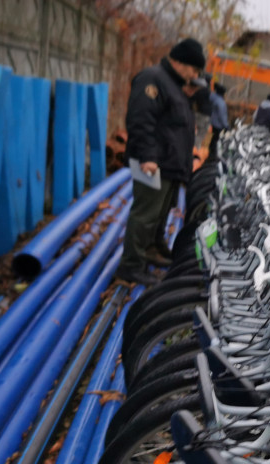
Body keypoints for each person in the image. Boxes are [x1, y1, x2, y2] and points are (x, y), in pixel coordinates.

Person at [118, 37, 205, 285]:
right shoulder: (153, 79)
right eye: (194, 69)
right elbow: (140, 119)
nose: (194, 75)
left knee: (159, 214)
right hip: (153, 163)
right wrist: (147, 156)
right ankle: (131, 265)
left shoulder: (173, 85)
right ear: (180, 62)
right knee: (145, 214)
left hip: (168, 165)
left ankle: (152, 249)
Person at [208, 82, 228, 160]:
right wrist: (226, 126)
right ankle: (213, 154)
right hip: (218, 124)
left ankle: (211, 150)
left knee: (213, 138)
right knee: (217, 139)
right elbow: (222, 116)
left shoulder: (212, 97)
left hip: (212, 122)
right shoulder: (221, 103)